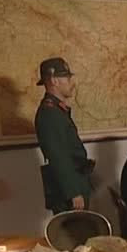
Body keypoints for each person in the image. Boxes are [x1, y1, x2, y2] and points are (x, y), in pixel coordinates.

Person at [34, 57, 94, 214]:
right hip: (68, 192)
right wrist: (73, 191)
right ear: (54, 81)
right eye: (67, 78)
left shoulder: (57, 110)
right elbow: (57, 155)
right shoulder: (50, 113)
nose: (71, 83)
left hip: (75, 182)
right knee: (75, 229)